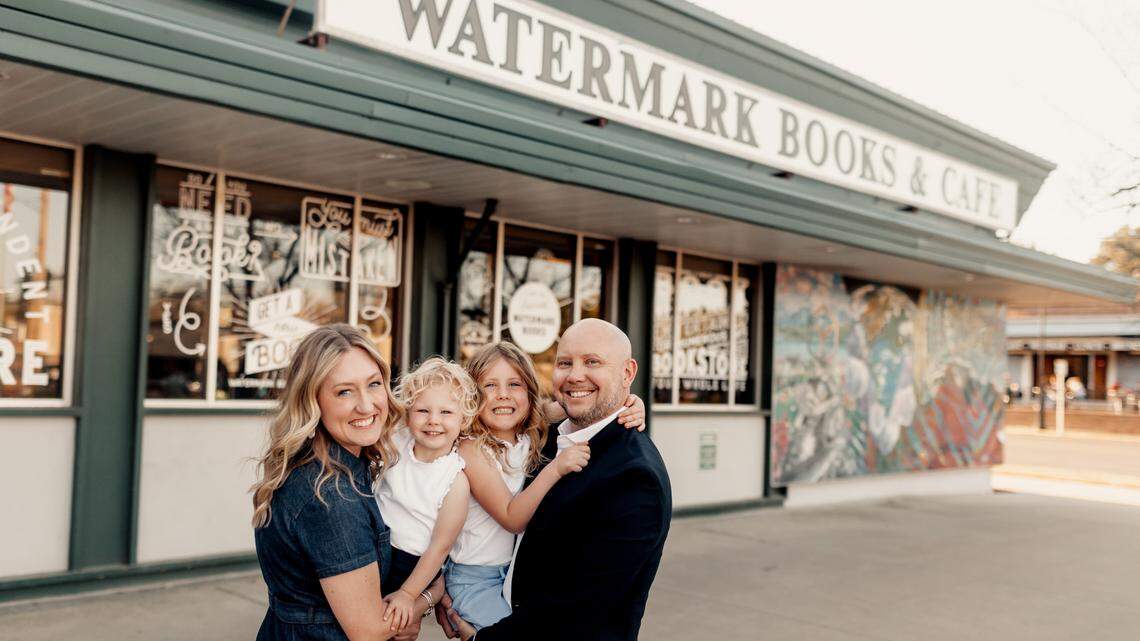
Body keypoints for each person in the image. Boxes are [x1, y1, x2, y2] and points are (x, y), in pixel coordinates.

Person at [443, 319, 672, 641]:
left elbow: (578, 610)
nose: (576, 375)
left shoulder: (634, 478)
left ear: (627, 373)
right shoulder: (547, 436)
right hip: (491, 593)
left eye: (593, 362)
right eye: (565, 363)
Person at [251, 323, 442, 641]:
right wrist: (432, 593)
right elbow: (368, 631)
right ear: (313, 400)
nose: (367, 405)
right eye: (344, 391)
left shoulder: (330, 464)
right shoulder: (331, 496)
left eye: (374, 384)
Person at [374, 357, 478, 633]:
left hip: (411, 565)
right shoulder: (397, 442)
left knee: (399, 628)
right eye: (422, 410)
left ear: (464, 419)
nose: (433, 421)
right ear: (408, 414)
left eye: (446, 412)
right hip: (373, 548)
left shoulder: (454, 479)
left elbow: (440, 546)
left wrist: (409, 594)